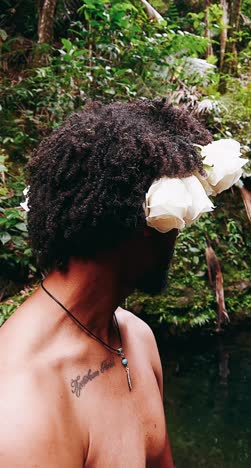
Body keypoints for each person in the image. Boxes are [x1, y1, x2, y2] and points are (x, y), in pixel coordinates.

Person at [0, 99, 213, 467]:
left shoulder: (136, 338)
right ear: (141, 225)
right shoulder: (24, 404)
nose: (178, 233)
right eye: (175, 218)